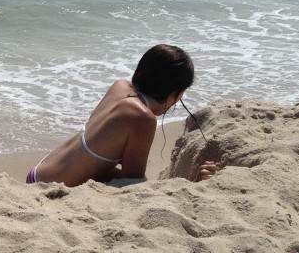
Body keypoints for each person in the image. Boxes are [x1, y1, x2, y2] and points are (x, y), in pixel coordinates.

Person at [25, 44, 217, 187]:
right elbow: (132, 183)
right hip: (48, 190)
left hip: (37, 173)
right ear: (175, 92)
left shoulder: (120, 87)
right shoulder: (142, 118)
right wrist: (194, 184)